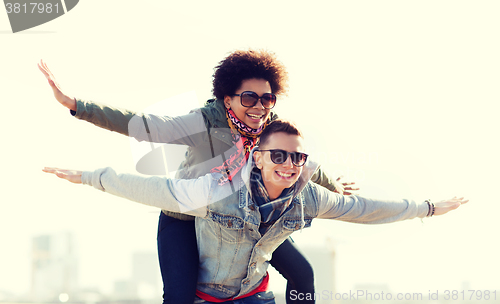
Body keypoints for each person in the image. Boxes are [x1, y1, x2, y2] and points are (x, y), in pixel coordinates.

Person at [38, 50, 358, 304]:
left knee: (303, 274)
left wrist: (332, 187)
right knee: (179, 297)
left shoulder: (269, 128)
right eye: (249, 98)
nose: (259, 107)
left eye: (267, 99)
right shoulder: (204, 122)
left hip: (239, 220)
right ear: (228, 98)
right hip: (185, 218)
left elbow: (298, 161)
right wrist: (78, 106)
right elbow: (145, 125)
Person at [43, 119, 468, 303]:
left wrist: (426, 208)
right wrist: (90, 176)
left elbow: (363, 209)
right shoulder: (218, 192)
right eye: (279, 156)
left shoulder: (308, 197)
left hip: (253, 297)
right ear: (258, 157)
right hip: (205, 297)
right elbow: (153, 188)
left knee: (303, 277)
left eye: (297, 159)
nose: (289, 165)